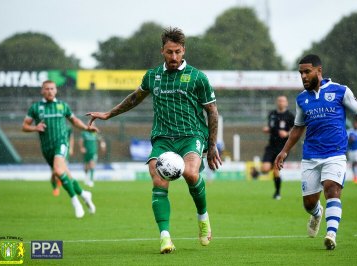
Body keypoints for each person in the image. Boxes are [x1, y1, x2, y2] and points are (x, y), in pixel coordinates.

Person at [86, 27, 222, 254]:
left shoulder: (198, 77)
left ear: (184, 50)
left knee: (190, 174)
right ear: (162, 51)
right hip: (162, 138)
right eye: (169, 52)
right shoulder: (153, 76)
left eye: (178, 52)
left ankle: (203, 217)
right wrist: (109, 114)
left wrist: (212, 144)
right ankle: (165, 237)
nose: (174, 57)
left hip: (191, 135)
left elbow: (212, 111)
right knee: (158, 181)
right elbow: (134, 98)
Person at [274, 54, 357, 250]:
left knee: (332, 189)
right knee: (309, 203)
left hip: (335, 153)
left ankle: (331, 234)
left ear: (319, 71)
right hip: (311, 156)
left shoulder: (341, 91)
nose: (303, 76)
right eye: (301, 73)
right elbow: (298, 128)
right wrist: (284, 151)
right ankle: (316, 214)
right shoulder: (301, 99)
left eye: (307, 72)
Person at [22, 80, 98, 218]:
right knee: (66, 175)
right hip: (47, 148)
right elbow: (24, 126)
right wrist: (35, 127)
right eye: (47, 89)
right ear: (42, 91)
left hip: (61, 143)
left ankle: (76, 202)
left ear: (56, 90)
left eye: (52, 88)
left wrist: (87, 128)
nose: (50, 91)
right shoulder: (35, 108)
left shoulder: (62, 106)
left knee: (57, 171)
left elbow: (74, 121)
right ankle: (84, 194)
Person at [253, 95, 294, 199]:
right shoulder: (272, 114)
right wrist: (268, 129)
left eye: (283, 101)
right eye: (279, 101)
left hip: (283, 148)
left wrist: (287, 133)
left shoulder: (290, 116)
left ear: (286, 103)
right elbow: (271, 127)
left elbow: (295, 131)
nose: (281, 102)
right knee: (265, 169)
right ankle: (260, 171)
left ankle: (277, 193)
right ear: (277, 102)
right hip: (271, 146)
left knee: (276, 169)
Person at [51, 124, 74, 196]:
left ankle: (69, 188)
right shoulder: (54, 124)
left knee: (63, 169)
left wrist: (71, 148)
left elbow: (71, 138)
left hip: (64, 149)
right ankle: (55, 187)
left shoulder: (68, 127)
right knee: (54, 171)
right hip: (55, 148)